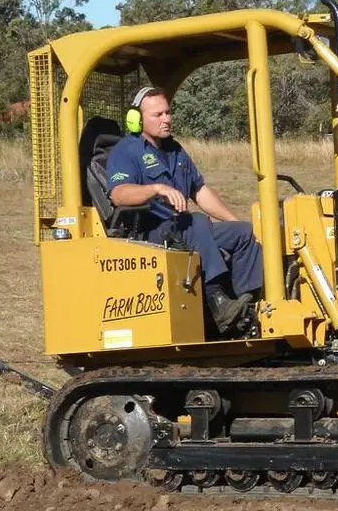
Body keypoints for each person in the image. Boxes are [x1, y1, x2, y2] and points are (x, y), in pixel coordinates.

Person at [106, 87, 262, 337]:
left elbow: (199, 191)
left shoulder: (175, 150)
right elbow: (118, 193)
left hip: (185, 230)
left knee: (245, 233)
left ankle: (246, 307)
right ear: (136, 119)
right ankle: (217, 302)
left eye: (168, 113)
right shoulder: (126, 151)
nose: (166, 119)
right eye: (158, 114)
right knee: (196, 222)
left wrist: (232, 221)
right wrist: (156, 188)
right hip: (152, 234)